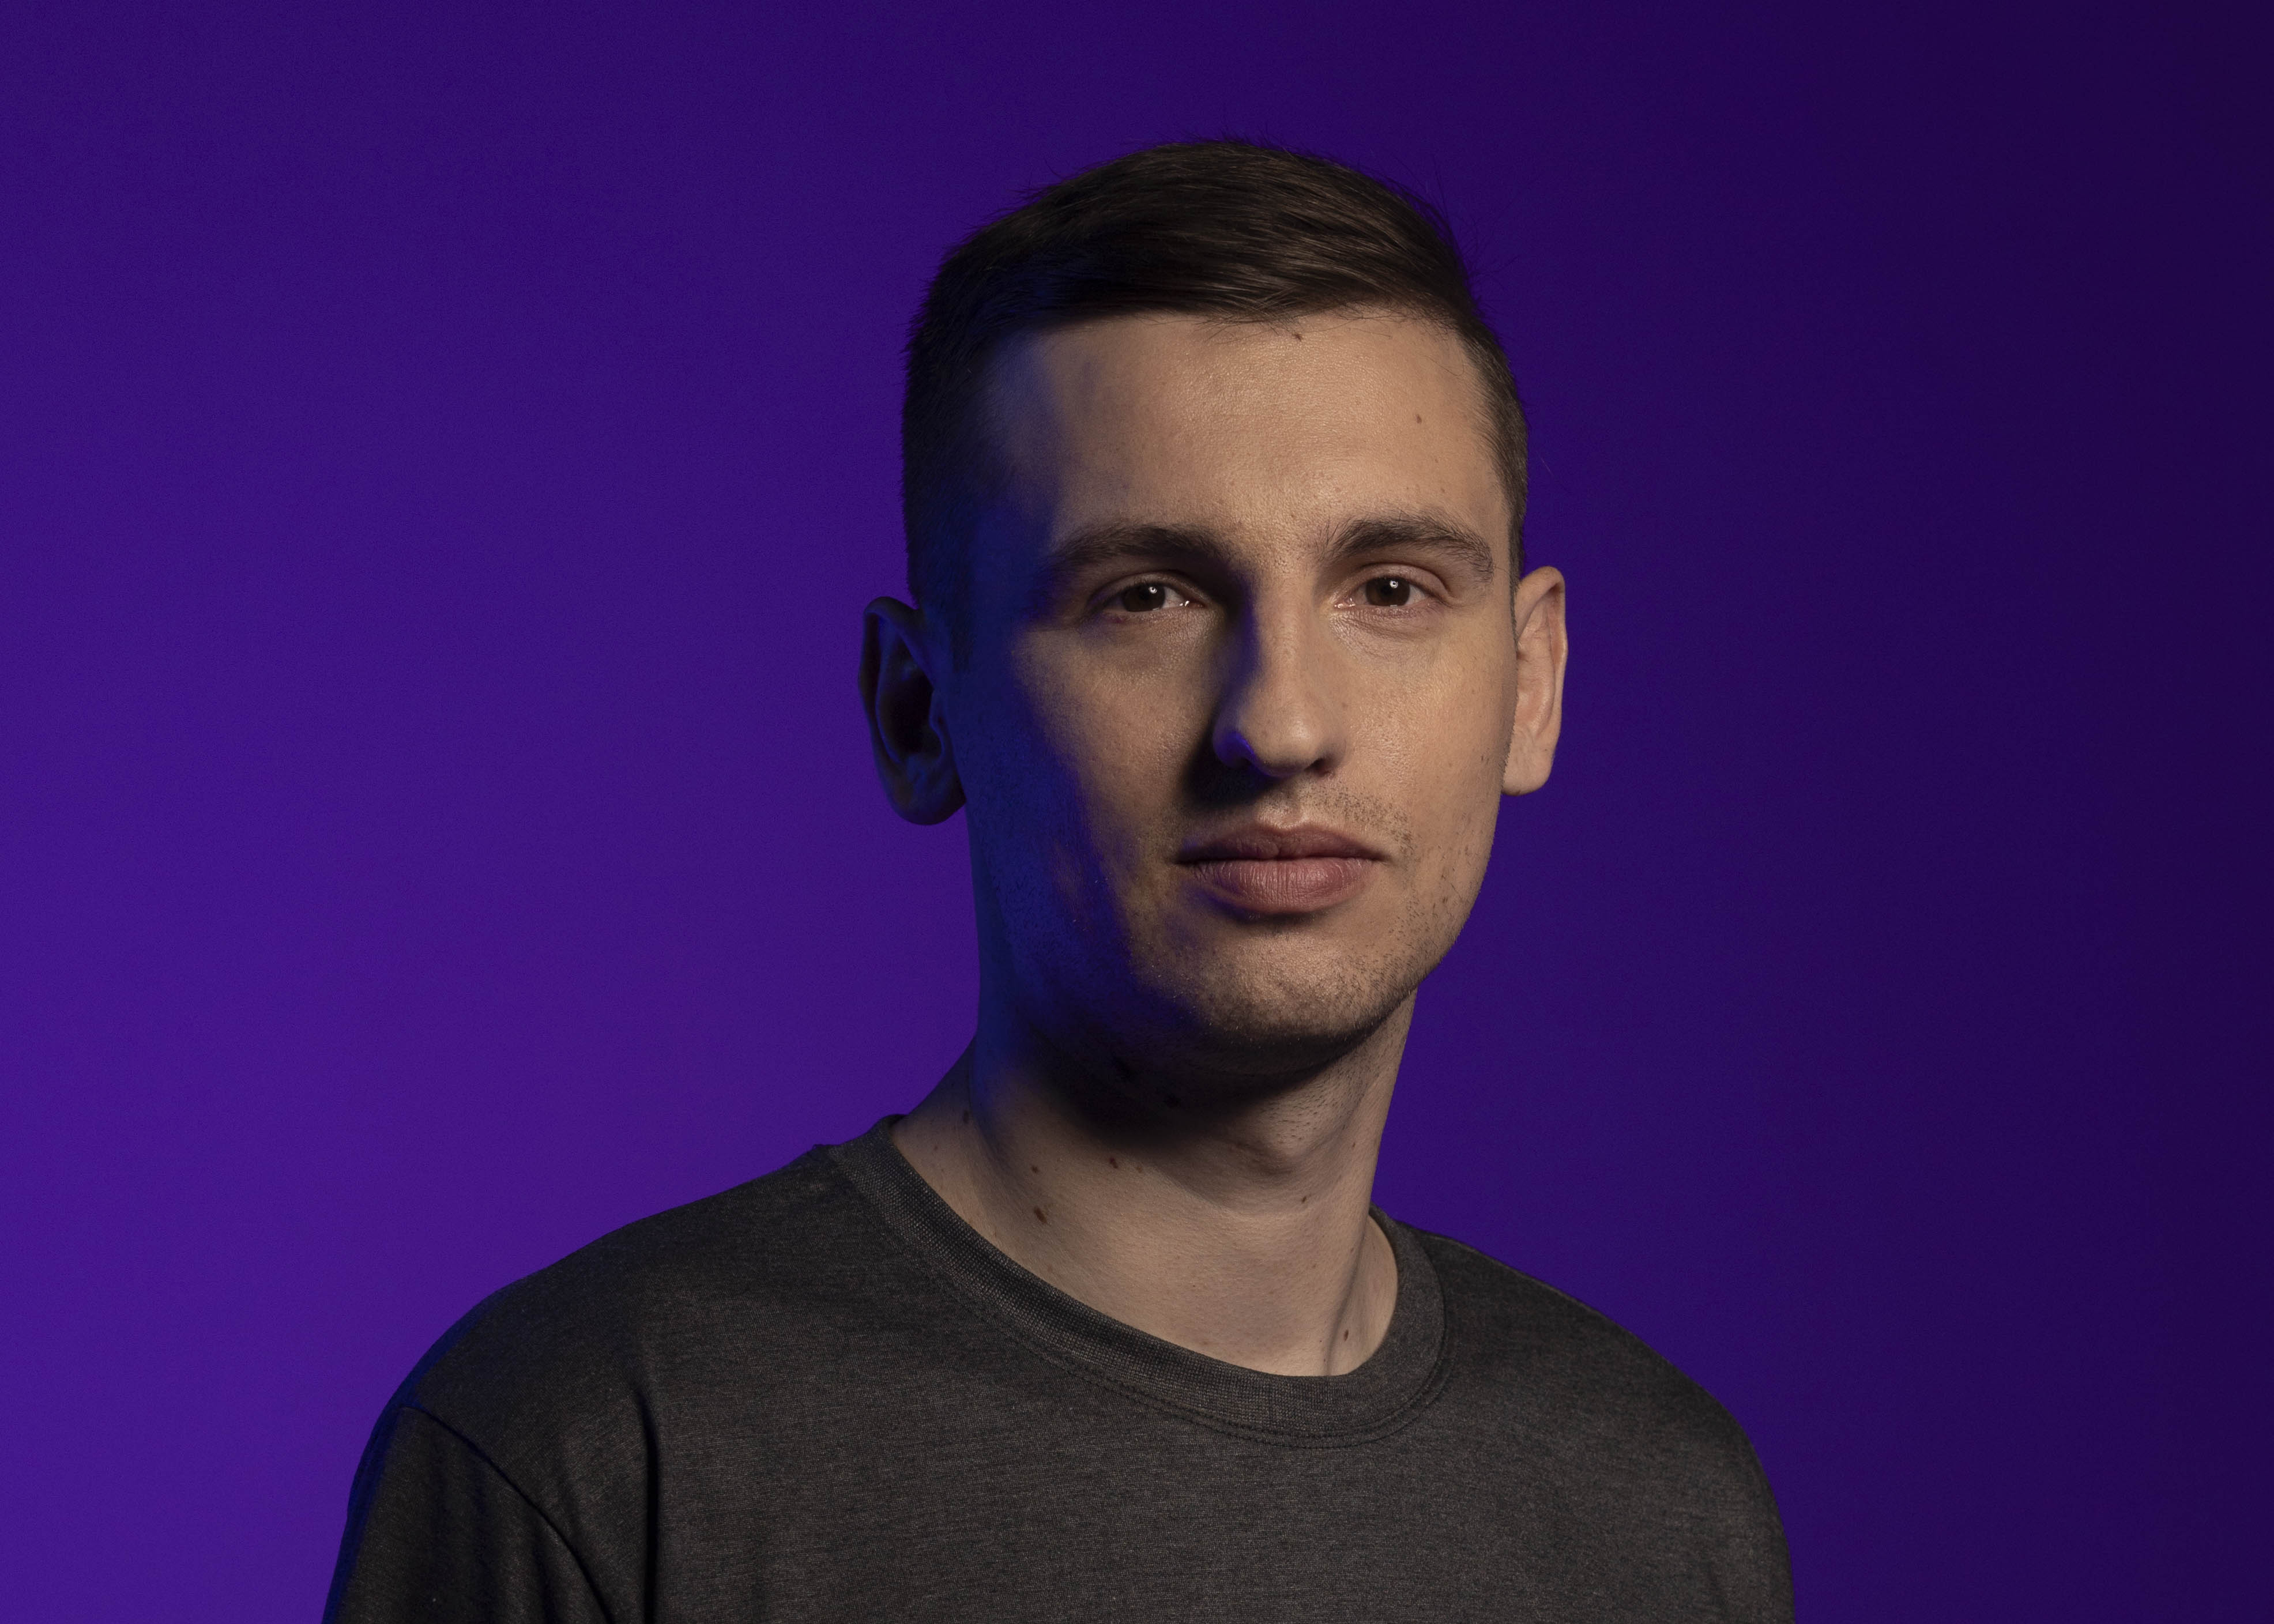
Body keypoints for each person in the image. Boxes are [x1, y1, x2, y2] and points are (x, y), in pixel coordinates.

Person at [325, 140, 1791, 1622]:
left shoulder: (1660, 1511)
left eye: (1390, 589)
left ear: (1530, 683)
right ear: (919, 711)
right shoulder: (594, 1449)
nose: (1280, 722)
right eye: (1145, 595)